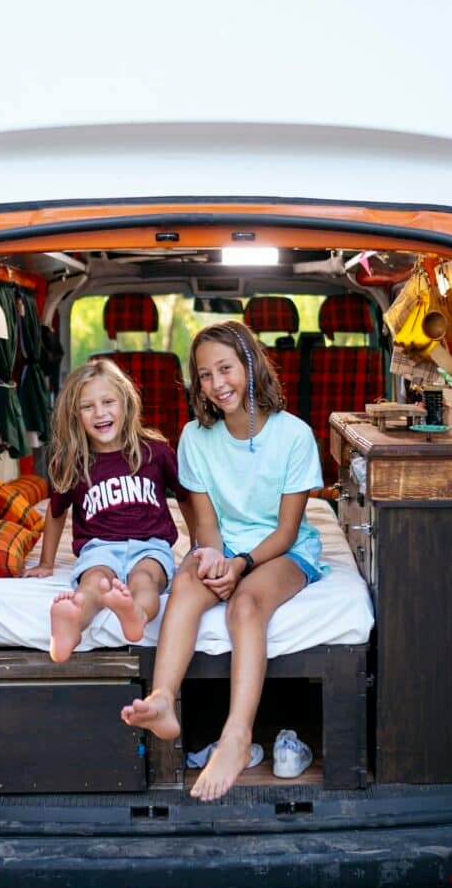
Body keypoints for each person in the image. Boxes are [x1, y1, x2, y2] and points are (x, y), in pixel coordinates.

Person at [121, 321, 323, 801]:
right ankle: (163, 699)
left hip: (282, 549)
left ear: (250, 366)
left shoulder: (294, 435)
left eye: (226, 368)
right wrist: (212, 559)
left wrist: (242, 566)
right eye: (205, 375)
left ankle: (236, 736)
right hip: (227, 545)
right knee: (188, 583)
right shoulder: (194, 437)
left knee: (245, 604)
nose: (217, 384)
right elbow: (206, 527)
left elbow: (287, 530)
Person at [24, 358, 193, 663]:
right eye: (87, 406)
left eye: (107, 402)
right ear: (75, 415)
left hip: (151, 545)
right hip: (99, 547)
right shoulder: (73, 462)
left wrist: (198, 547)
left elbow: (186, 499)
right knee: (93, 583)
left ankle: (135, 614)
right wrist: (46, 562)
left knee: (145, 579)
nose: (100, 413)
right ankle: (70, 624)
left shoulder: (155, 451)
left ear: (126, 404)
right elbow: (56, 512)